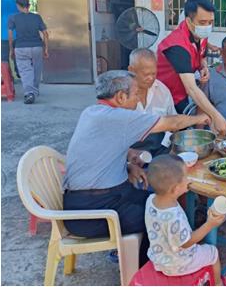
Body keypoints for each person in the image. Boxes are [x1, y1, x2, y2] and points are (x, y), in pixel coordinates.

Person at [63, 70, 210, 266]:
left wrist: (128, 164)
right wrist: (201, 117)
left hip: (87, 200)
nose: (139, 98)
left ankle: (147, 256)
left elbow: (100, 151)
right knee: (159, 218)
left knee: (157, 199)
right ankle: (148, 269)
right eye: (135, 93)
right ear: (121, 97)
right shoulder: (118, 117)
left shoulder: (91, 112)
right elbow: (172, 122)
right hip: (91, 213)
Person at [145, 154, 226, 285]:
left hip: (158, 258)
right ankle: (218, 283)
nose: (189, 180)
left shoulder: (151, 200)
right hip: (178, 264)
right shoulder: (173, 217)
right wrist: (210, 224)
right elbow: (186, 242)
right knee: (212, 252)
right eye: (186, 177)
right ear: (175, 189)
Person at [157, 0, 226, 134]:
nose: (207, 26)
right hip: (166, 98)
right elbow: (191, 89)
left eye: (210, 22)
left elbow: (201, 53)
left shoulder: (199, 33)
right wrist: (216, 116)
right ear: (189, 21)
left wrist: (203, 66)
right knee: (170, 137)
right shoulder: (177, 46)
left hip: (181, 94)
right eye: (202, 22)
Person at [128, 48, 176, 158]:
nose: (150, 78)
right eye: (146, 74)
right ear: (131, 70)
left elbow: (173, 122)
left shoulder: (162, 90)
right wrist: (129, 154)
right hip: (130, 154)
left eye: (154, 73)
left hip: (160, 152)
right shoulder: (121, 95)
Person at [8, 0, 48, 104]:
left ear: (18, 6)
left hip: (21, 47)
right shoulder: (37, 17)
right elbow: (45, 33)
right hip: (37, 47)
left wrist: (11, 49)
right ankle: (34, 91)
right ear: (29, 5)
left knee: (25, 71)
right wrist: (46, 49)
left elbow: (10, 36)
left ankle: (29, 93)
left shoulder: (13, 17)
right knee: (37, 70)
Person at [1, 0, 18, 64]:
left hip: (3, 35)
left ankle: (6, 73)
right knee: (17, 58)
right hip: (17, 35)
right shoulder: (18, 3)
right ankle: (18, 71)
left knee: (3, 59)